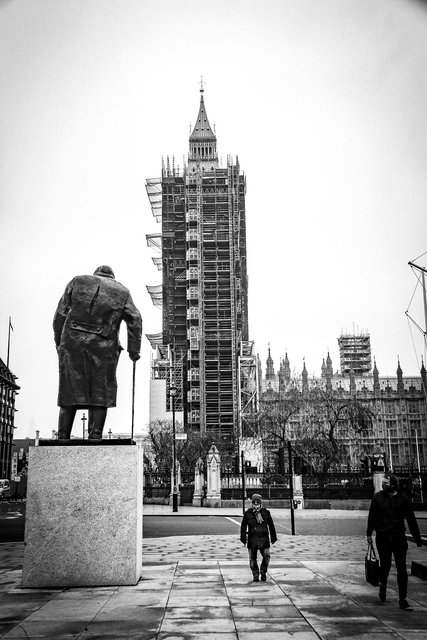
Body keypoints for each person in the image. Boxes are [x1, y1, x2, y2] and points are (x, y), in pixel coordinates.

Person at [53, 265, 142, 439]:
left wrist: (60, 342)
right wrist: (134, 350)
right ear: (112, 277)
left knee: (69, 389)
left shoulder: (77, 281)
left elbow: (60, 315)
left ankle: (63, 435)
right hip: (104, 345)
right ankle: (95, 434)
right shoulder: (122, 291)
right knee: (101, 390)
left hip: (72, 341)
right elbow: (135, 319)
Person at [366, 473, 423, 611]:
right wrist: (369, 533)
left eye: (386, 483)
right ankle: (383, 584)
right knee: (385, 564)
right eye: (383, 483)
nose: (384, 485)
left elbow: (411, 519)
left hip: (398, 536)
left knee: (402, 568)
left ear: (393, 485)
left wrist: (417, 538)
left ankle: (403, 599)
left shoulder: (403, 499)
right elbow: (372, 516)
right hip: (383, 536)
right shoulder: (377, 498)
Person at [240, 493, 277, 582]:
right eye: (254, 503)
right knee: (252, 558)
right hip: (252, 539)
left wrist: (273, 537)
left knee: (267, 556)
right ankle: (255, 574)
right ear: (252, 503)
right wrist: (243, 538)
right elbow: (243, 526)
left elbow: (271, 525)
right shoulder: (248, 513)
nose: (256, 505)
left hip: (264, 539)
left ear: (260, 503)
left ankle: (263, 572)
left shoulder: (266, 512)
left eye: (257, 503)